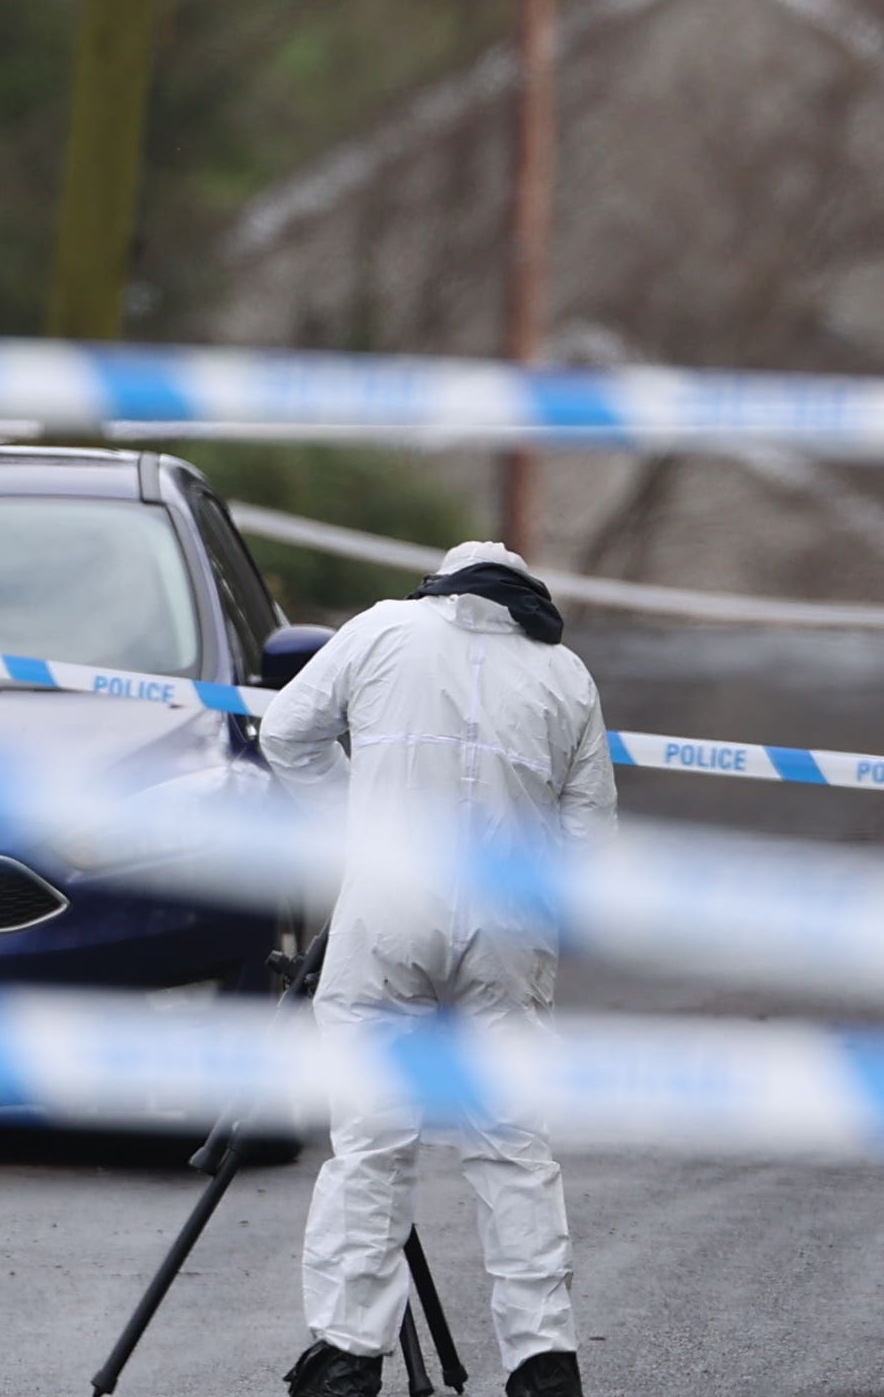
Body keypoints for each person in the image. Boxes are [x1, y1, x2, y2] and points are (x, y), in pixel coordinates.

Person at [260, 541, 615, 1397]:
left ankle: (347, 1355)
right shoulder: (565, 674)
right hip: (508, 921)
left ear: (443, 584)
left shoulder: (383, 630)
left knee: (372, 1139)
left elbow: (287, 731)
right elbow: (589, 843)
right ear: (522, 597)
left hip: (389, 907)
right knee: (511, 1144)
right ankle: (542, 1361)